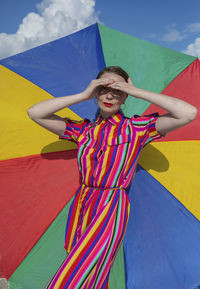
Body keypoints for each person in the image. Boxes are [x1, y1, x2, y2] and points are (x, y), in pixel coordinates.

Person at [27, 66, 198, 289]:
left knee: (73, 275)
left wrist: (135, 90)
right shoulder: (83, 131)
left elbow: (188, 113)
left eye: (117, 90)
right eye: (104, 89)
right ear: (96, 93)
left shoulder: (136, 129)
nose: (110, 95)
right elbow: (35, 113)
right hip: (83, 205)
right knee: (92, 275)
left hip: (111, 206)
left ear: (125, 96)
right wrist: (83, 94)